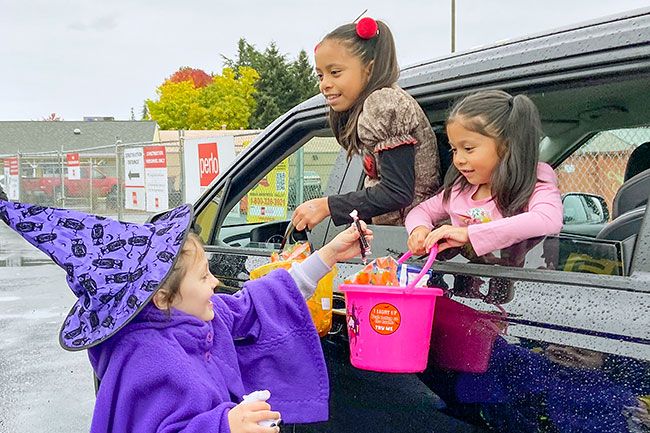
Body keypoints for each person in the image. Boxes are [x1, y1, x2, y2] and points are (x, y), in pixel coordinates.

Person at [0, 188, 372, 433]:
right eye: (204, 275)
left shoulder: (190, 316)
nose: (215, 283)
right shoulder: (145, 359)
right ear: (162, 296)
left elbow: (255, 302)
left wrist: (329, 255)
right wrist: (226, 425)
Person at [292, 17, 440, 230]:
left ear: (369, 69)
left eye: (335, 72)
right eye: (320, 75)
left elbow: (397, 192)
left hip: (413, 239)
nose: (324, 84)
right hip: (399, 238)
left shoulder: (383, 102)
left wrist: (327, 206)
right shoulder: (373, 106)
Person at [405, 89, 563, 258]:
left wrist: (469, 233)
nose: (458, 159)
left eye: (468, 149)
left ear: (506, 146)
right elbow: (421, 211)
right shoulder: (461, 190)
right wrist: (420, 229)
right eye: (454, 149)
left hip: (516, 279)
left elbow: (548, 220)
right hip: (467, 277)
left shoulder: (534, 184)